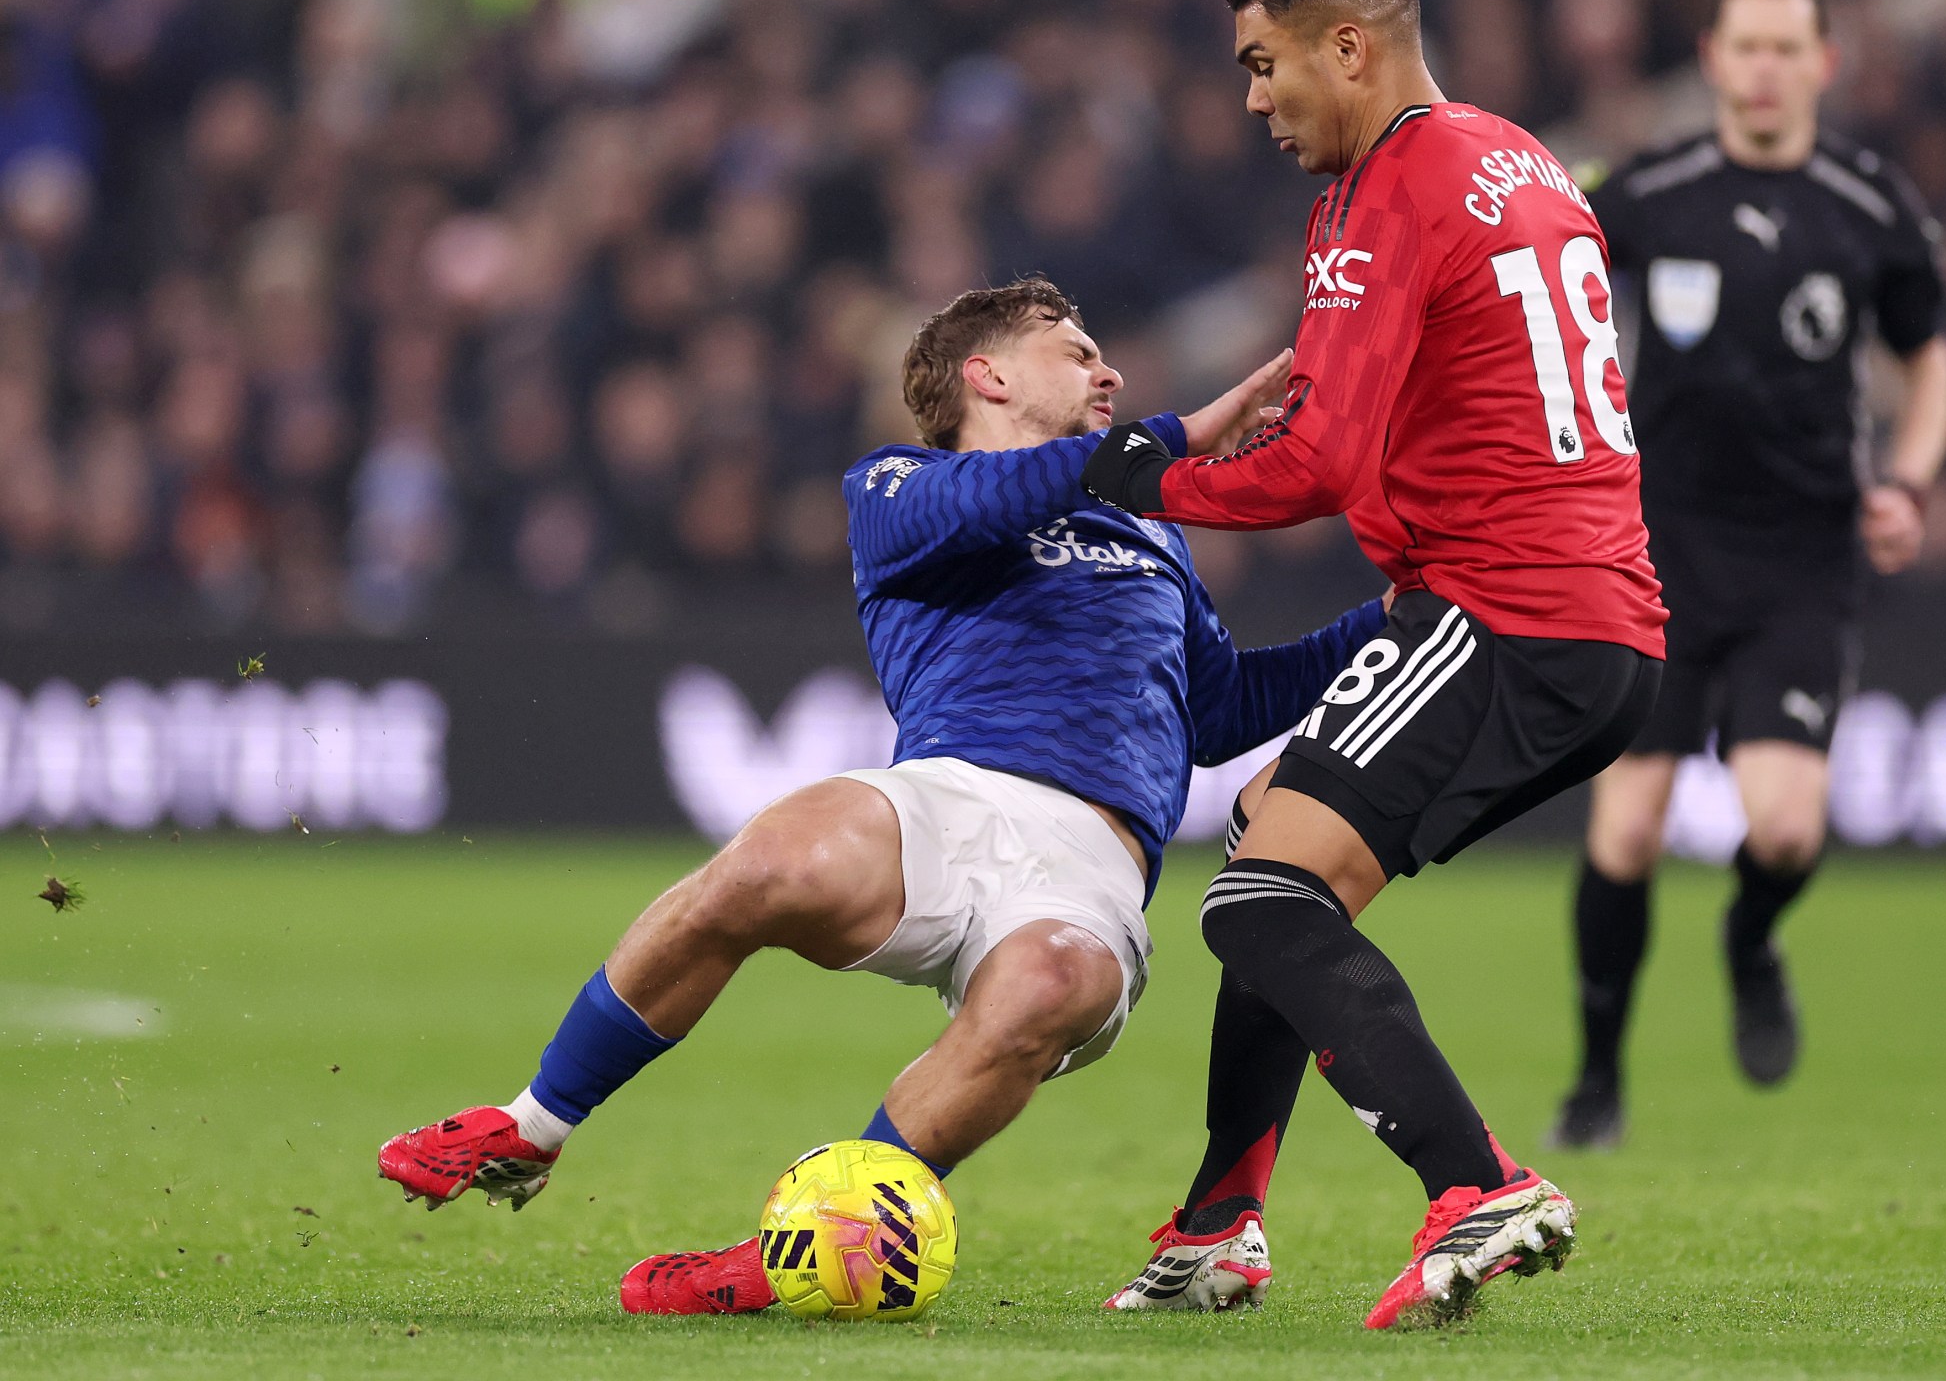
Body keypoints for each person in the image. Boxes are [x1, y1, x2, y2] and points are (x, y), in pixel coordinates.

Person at [376, 277, 1385, 1314]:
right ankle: (533, 1124)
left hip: (1091, 861)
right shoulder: (897, 484)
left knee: (1053, 984)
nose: (1108, 370)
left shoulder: (1153, 535)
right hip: (941, 804)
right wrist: (1175, 437)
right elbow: (1000, 498)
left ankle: (798, 1253)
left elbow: (1216, 710)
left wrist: (1385, 619)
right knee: (779, 857)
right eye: (1076, 349)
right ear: (986, 375)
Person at [1082, 0, 1665, 1330]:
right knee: (1277, 856)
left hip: (1503, 608)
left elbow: (1320, 461)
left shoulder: (1396, 184)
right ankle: (1220, 1220)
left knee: (1262, 903)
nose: (1255, 98)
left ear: (1351, 44)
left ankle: (1481, 1184)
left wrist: (1139, 477)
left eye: (1264, 61)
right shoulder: (1513, 152)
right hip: (1579, 608)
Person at [1550, 0, 1946, 1152]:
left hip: (1801, 557)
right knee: (1624, 830)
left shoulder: (1872, 206)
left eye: (1790, 48)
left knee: (1784, 828)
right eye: (1748, 46)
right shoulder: (1648, 190)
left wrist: (1915, 480)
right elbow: (1545, 280)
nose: (1768, 69)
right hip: (1657, 552)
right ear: (1716, 60)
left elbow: (1929, 358)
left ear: (1822, 65)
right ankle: (1596, 1077)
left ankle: (1750, 937)